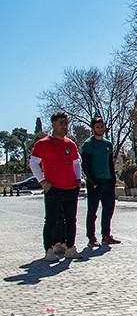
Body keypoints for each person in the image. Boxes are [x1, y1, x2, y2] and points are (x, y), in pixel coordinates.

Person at [30, 111, 84, 262]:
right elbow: (34, 163)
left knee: (71, 219)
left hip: (70, 188)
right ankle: (49, 250)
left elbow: (76, 162)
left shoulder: (70, 144)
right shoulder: (43, 143)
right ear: (53, 124)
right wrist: (42, 181)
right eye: (61, 123)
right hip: (53, 188)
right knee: (52, 220)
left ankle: (70, 248)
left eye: (66, 123)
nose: (64, 126)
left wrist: (78, 179)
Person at [82, 116, 120, 247]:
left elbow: (110, 163)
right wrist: (93, 180)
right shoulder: (88, 144)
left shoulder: (108, 144)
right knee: (92, 210)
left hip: (108, 181)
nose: (100, 129)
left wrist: (113, 179)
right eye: (97, 127)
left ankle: (106, 235)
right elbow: (85, 165)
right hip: (95, 182)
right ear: (93, 128)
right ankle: (91, 237)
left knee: (108, 209)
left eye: (102, 126)